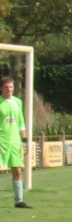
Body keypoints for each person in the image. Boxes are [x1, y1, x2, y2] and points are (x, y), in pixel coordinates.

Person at [0, 74, 29, 209]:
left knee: (17, 170)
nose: (9, 89)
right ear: (1, 88)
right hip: (2, 141)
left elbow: (21, 121)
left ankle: (19, 201)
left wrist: (24, 140)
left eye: (11, 87)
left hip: (15, 141)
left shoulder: (18, 102)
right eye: (6, 87)